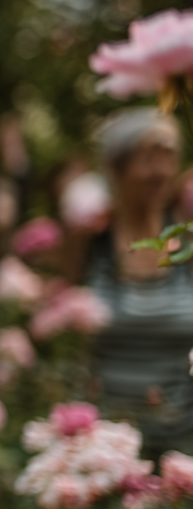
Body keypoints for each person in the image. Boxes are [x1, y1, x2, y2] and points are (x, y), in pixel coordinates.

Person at [70, 108, 193, 455]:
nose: (162, 171)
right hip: (106, 448)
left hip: (186, 447)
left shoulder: (188, 241)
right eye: (150, 158)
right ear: (115, 166)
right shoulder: (89, 242)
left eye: (170, 157)